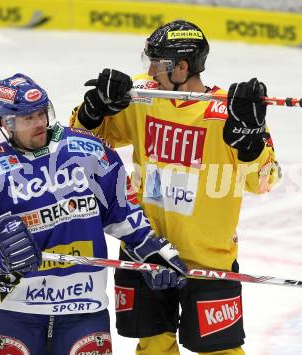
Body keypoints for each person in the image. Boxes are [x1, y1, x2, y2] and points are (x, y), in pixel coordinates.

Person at [70, 20, 281, 355]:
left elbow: (265, 180)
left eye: (158, 62)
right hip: (146, 246)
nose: (150, 69)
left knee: (219, 350)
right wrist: (95, 109)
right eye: (148, 60)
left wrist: (251, 142)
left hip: (208, 260)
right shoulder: (144, 96)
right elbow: (84, 144)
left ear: (182, 67)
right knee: (153, 346)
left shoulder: (231, 112)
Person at [0, 73, 187, 355]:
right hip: (13, 310)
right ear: (4, 124)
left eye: (41, 113)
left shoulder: (90, 152)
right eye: (27, 118)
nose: (40, 123)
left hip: (84, 308)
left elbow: (123, 208)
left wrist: (148, 248)